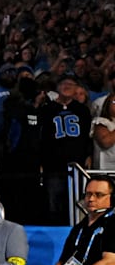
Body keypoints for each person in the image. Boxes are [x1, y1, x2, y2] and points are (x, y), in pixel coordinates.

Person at [39, 75, 92, 225]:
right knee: (54, 202)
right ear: (57, 87)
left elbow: (88, 135)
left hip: (77, 163)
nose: (67, 86)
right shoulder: (47, 110)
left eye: (71, 84)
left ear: (76, 88)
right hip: (53, 164)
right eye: (63, 83)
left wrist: (89, 155)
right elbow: (42, 138)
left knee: (78, 201)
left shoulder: (82, 110)